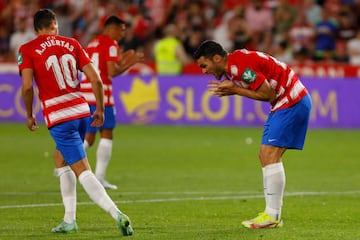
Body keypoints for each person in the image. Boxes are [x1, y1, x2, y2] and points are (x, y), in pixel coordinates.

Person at [19, 9, 133, 236]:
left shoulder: (28, 49)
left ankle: (117, 213)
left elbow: (27, 86)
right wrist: (99, 108)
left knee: (82, 170)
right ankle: (69, 220)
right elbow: (96, 79)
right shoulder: (72, 43)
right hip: (82, 111)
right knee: (60, 158)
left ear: (35, 29)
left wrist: (30, 114)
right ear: (54, 24)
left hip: (60, 117)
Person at [194, 40, 312, 229]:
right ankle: (272, 214)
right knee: (266, 155)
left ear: (216, 58)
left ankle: (272, 216)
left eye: (204, 65)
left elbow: (268, 94)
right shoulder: (235, 63)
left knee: (268, 154)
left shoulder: (239, 68)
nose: (203, 71)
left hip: (290, 101)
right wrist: (235, 89)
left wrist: (235, 90)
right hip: (286, 102)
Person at [81, 15, 143, 190]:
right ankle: (96, 176)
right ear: (112, 29)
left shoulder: (92, 43)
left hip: (85, 92)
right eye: (121, 30)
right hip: (102, 95)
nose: (123, 35)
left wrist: (122, 60)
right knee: (106, 134)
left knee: (90, 136)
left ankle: (65, 162)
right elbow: (111, 72)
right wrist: (130, 63)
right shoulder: (111, 44)